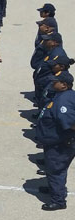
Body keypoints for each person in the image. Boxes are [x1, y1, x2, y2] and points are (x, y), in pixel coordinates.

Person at [35, 72, 75, 211]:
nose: (52, 83)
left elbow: (70, 122)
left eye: (56, 81)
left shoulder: (64, 101)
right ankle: (55, 189)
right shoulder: (62, 96)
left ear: (64, 85)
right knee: (54, 169)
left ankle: (58, 201)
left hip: (60, 144)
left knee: (56, 170)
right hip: (55, 142)